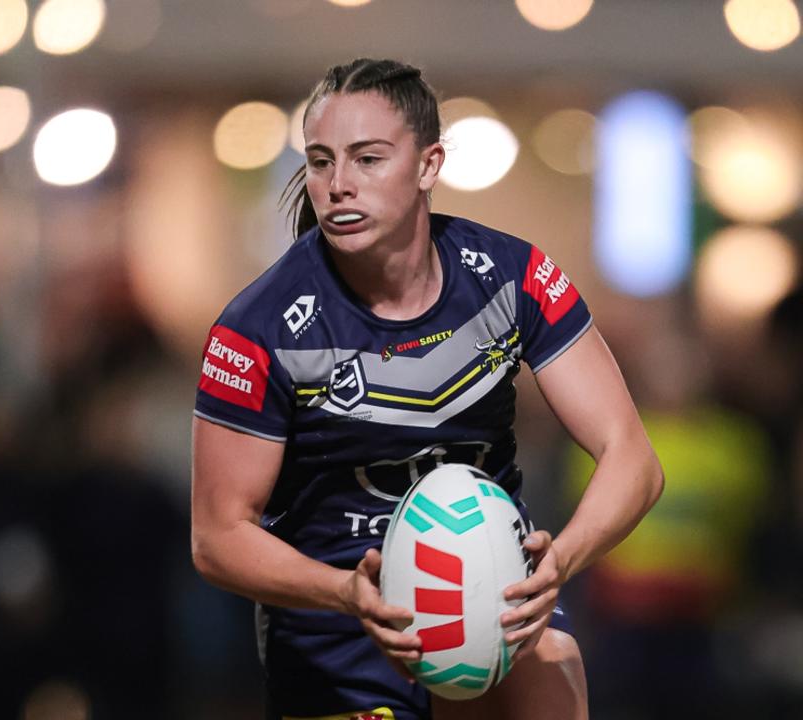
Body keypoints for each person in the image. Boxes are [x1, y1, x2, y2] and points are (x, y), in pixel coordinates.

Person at [190, 58, 663, 720]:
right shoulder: (260, 328)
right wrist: (343, 591)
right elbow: (216, 536)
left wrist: (562, 560)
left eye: (368, 159)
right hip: (337, 648)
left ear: (429, 165)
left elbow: (632, 457)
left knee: (556, 663)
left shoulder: (511, 277)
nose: (338, 185)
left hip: (490, 627)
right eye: (322, 162)